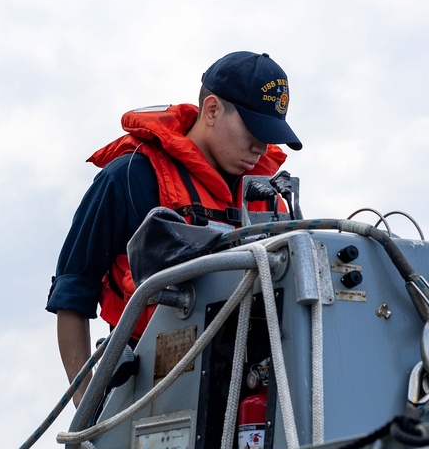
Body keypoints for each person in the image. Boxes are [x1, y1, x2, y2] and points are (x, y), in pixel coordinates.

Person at [46, 51, 302, 407]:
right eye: (254, 130)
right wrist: (88, 416)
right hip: (148, 394)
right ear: (211, 110)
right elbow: (73, 295)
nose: (261, 147)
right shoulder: (130, 178)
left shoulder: (270, 199)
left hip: (250, 399)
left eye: (270, 133)